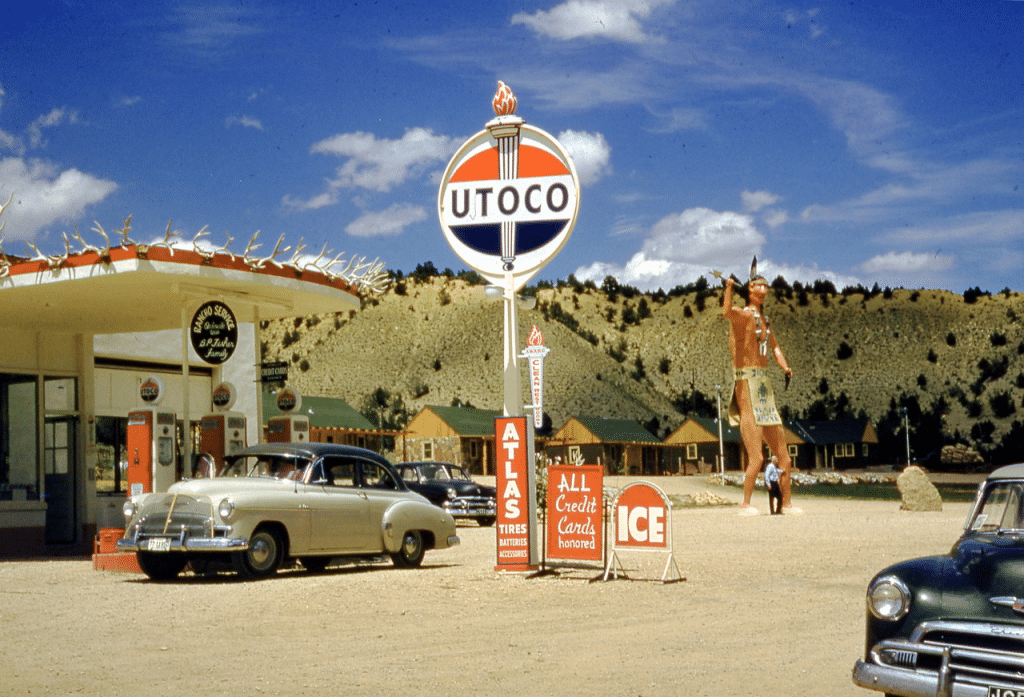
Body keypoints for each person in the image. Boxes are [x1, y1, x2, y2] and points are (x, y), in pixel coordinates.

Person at [722, 273, 803, 516]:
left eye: (766, 286)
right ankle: (745, 504)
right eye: (760, 285)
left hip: (764, 385)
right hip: (747, 381)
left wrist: (785, 366)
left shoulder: (765, 321)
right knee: (756, 457)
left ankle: (786, 504)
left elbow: (774, 346)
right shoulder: (744, 315)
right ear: (750, 288)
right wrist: (728, 288)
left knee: (784, 458)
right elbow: (726, 312)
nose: (764, 290)